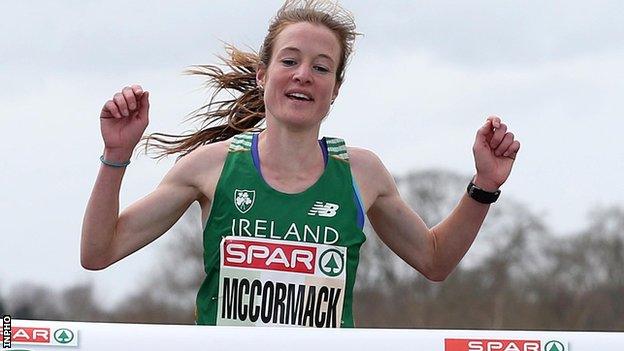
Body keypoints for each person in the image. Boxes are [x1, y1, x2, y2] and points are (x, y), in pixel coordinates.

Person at [81, 0, 520, 328]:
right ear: (263, 74)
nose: (303, 75)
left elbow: (435, 261)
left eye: (321, 67)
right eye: (289, 61)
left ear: (336, 88)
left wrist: (483, 185)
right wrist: (116, 157)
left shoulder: (362, 173)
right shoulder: (210, 167)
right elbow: (99, 252)